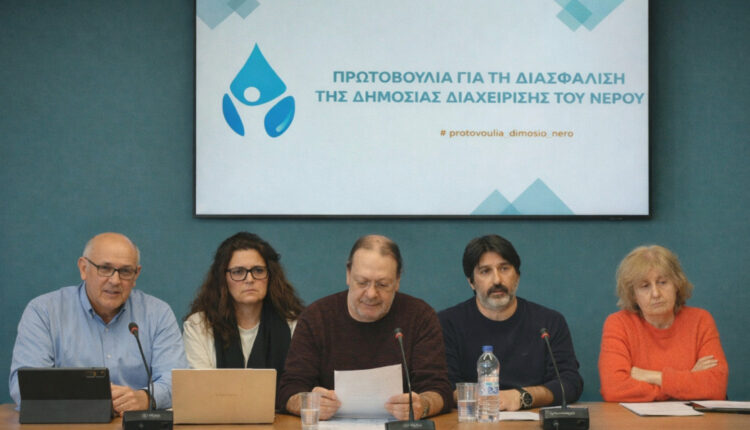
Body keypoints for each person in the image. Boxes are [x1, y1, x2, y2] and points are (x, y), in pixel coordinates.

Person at [278, 235, 452, 421]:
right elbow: (289, 390)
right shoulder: (316, 317)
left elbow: (439, 389)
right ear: (348, 274)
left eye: (382, 284)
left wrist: (422, 406)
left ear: (398, 280)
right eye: (362, 282)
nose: (371, 294)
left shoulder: (419, 316)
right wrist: (308, 403)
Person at [9, 232, 186, 413]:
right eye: (105, 268)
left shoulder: (158, 313)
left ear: (136, 275)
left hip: (134, 422)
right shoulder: (44, 312)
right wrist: (90, 399)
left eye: (125, 271)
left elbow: (178, 383)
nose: (115, 280)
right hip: (68, 422)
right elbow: (23, 387)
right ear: (83, 268)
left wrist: (145, 398)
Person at [438, 234, 583, 411]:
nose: (497, 280)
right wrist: (489, 402)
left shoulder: (549, 322)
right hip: (474, 419)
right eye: (485, 271)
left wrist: (522, 396)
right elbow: (443, 387)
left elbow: (569, 382)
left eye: (504, 268)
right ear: (471, 282)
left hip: (533, 417)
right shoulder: (447, 323)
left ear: (517, 276)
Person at [598, 245, 728, 402]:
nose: (656, 293)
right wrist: (688, 379)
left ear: (676, 284)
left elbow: (716, 387)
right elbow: (614, 388)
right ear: (633, 295)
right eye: (645, 286)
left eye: (662, 282)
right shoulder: (618, 324)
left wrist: (652, 376)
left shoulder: (700, 320)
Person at [182, 232, 304, 384]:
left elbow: (299, 383)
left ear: (270, 275)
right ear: (222, 278)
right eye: (238, 272)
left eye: (258, 270)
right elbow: (202, 387)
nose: (249, 279)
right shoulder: (199, 325)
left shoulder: (294, 324)